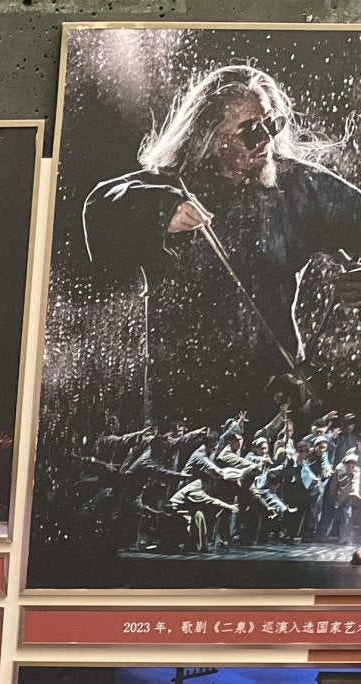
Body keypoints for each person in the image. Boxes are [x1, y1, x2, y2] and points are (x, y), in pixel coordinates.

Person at [82, 64, 361, 427]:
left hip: (278, 402)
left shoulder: (297, 185)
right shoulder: (171, 184)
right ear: (209, 136)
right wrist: (161, 210)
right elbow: (102, 203)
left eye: (271, 125)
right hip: (181, 409)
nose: (267, 140)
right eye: (250, 132)